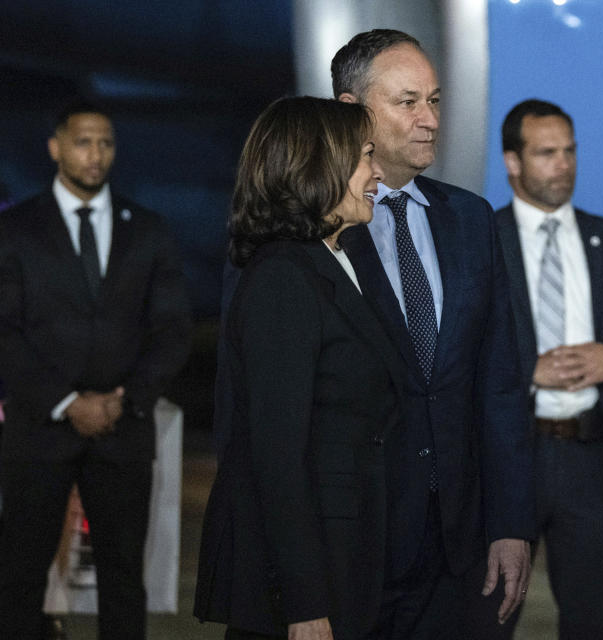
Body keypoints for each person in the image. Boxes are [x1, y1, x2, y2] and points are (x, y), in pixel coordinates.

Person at [332, 29, 536, 638]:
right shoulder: (306, 226)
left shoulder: (471, 219)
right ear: (351, 111)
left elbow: (499, 384)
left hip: (456, 544)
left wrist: (510, 522)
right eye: (408, 102)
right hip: (352, 539)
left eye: (436, 101)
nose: (430, 120)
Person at [193, 96, 403, 640]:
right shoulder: (284, 279)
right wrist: (304, 603)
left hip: (341, 557)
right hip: (304, 583)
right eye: (365, 156)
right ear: (317, 166)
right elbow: (276, 457)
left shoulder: (332, 261)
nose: (378, 172)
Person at [0, 99, 192, 639]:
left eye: (106, 142)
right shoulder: (15, 229)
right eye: (84, 141)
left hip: (122, 428)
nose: (96, 153)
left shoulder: (148, 229)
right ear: (55, 146)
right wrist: (67, 403)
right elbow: (4, 329)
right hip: (39, 430)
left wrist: (124, 398)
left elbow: (173, 330)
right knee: (18, 577)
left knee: (124, 579)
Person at [493, 99, 603, 638]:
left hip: (591, 461)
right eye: (547, 153)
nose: (563, 164)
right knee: (489, 616)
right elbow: (452, 347)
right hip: (507, 459)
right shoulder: (479, 240)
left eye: (570, 151)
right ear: (512, 162)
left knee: (591, 621)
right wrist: (529, 370)